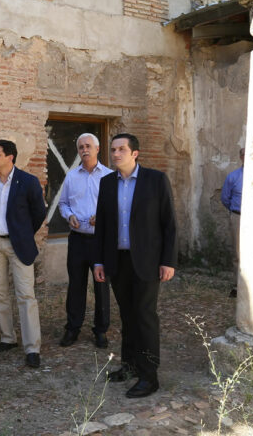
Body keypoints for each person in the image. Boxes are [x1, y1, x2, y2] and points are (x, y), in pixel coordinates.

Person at [93, 133, 177, 398]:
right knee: (127, 316)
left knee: (145, 316)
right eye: (113, 149)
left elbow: (169, 224)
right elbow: (102, 226)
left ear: (135, 153)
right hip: (118, 260)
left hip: (148, 262)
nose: (115, 154)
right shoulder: (106, 183)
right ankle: (129, 366)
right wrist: (99, 260)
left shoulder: (155, 180)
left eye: (121, 149)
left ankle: (149, 376)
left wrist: (168, 261)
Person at [0, 139, 46, 368]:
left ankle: (32, 348)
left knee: (26, 295)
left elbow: (39, 212)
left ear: (10, 157)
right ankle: (8, 338)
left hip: (20, 244)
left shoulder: (28, 181)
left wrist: (23, 234)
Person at [58, 133, 112, 349]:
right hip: (78, 240)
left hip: (101, 240)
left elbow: (115, 207)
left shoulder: (109, 176)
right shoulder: (71, 177)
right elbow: (62, 204)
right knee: (76, 286)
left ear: (97, 149)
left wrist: (103, 217)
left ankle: (101, 330)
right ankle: (72, 328)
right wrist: (68, 216)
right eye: (81, 147)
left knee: (101, 286)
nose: (84, 150)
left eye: (88, 146)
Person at [221, 147, 244, 298]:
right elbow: (225, 198)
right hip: (238, 217)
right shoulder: (233, 177)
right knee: (237, 253)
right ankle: (237, 285)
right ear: (241, 157)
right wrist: (235, 212)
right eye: (244, 155)